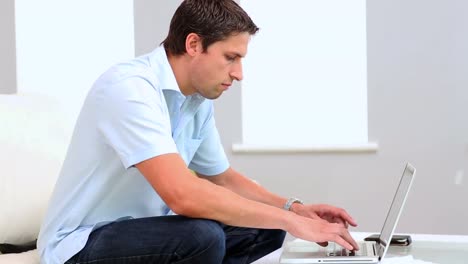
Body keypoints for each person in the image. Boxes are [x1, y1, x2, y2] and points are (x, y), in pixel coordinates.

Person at [38, 0, 359, 263]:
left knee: (265, 228)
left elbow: (224, 178)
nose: (238, 73)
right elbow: (183, 196)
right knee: (200, 237)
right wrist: (293, 223)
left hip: (149, 231)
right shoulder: (129, 89)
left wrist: (292, 209)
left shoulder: (195, 101)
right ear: (194, 44)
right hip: (82, 243)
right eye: (230, 57)